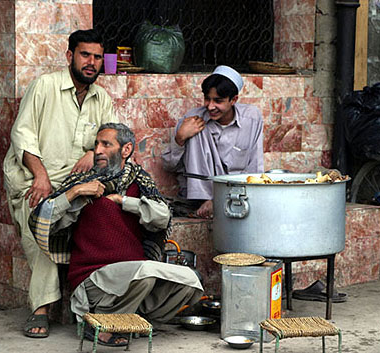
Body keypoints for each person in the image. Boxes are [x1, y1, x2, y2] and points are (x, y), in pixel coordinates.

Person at [29, 123, 203, 346]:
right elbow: (45, 221)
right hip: (94, 278)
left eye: (106, 144)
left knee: (191, 280)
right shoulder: (83, 184)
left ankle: (133, 319)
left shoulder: (140, 182)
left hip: (134, 277)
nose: (98, 151)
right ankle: (100, 324)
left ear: (126, 149)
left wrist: (124, 202)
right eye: (96, 145)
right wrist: (74, 193)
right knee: (146, 274)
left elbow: (162, 216)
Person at [2, 29, 117, 338]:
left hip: (76, 185)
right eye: (84, 55)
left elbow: (114, 141)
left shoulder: (101, 98)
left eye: (96, 57)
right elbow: (22, 136)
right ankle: (40, 309)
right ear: (70, 56)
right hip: (33, 178)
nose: (91, 62)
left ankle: (98, 306)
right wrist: (40, 176)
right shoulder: (45, 87)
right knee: (41, 222)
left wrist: (96, 152)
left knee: (106, 220)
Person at [162, 65, 264, 218]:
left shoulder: (252, 118)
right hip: (197, 198)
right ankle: (206, 199)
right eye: (207, 99)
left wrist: (221, 198)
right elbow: (169, 165)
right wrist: (180, 138)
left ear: (233, 100)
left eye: (218, 101)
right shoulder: (193, 119)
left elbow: (255, 167)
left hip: (237, 193)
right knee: (197, 130)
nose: (210, 106)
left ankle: (215, 202)